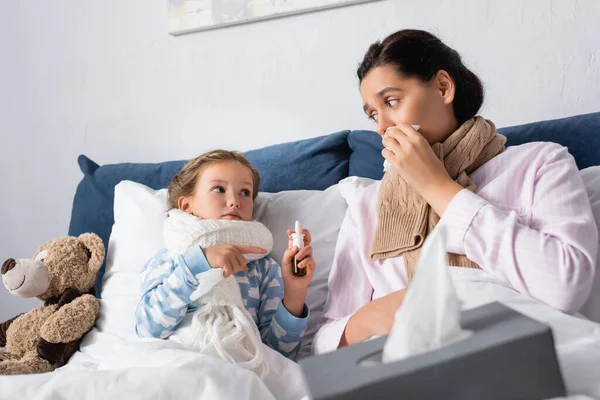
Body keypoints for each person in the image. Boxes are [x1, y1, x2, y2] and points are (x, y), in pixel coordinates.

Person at [313, 29, 598, 354]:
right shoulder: (368, 206)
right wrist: (368, 318)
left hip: (527, 356)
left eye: (391, 101)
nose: (381, 127)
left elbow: (565, 286)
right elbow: (322, 344)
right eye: (374, 114)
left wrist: (437, 187)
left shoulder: (539, 163)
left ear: (443, 87)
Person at [134, 150, 316, 360]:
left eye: (245, 192)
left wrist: (295, 292)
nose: (234, 201)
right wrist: (198, 263)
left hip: (238, 368)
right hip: (178, 361)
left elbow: (278, 355)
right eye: (219, 189)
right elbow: (147, 330)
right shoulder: (170, 259)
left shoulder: (263, 268)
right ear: (186, 205)